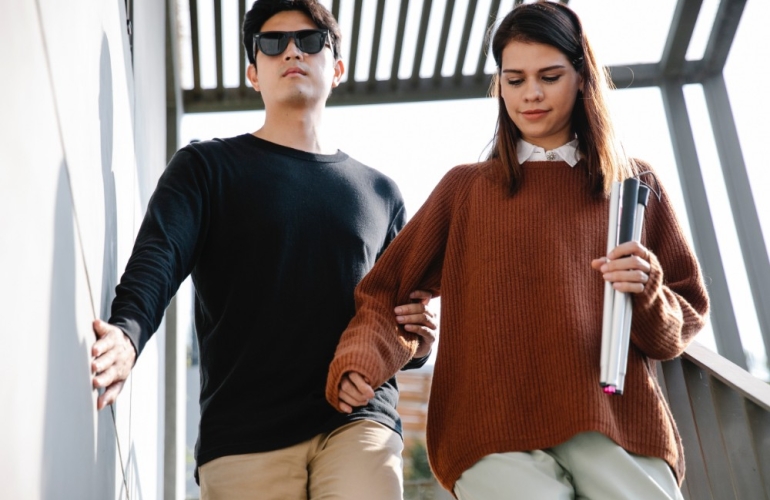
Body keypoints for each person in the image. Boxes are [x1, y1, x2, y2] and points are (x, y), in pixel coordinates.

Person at [325, 2, 710, 499]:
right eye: (514, 79)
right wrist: (362, 360)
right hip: (490, 430)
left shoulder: (633, 186)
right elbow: (385, 292)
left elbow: (683, 318)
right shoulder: (464, 190)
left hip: (615, 422)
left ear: (582, 77)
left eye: (549, 76)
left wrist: (649, 291)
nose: (530, 94)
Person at [90, 0, 437, 498]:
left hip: (358, 422)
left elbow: (396, 314)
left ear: (336, 68)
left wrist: (408, 345)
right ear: (254, 73)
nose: (292, 51)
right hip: (245, 430)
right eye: (273, 44)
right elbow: (160, 255)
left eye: (310, 40)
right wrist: (127, 332)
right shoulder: (206, 168)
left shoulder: (382, 193)